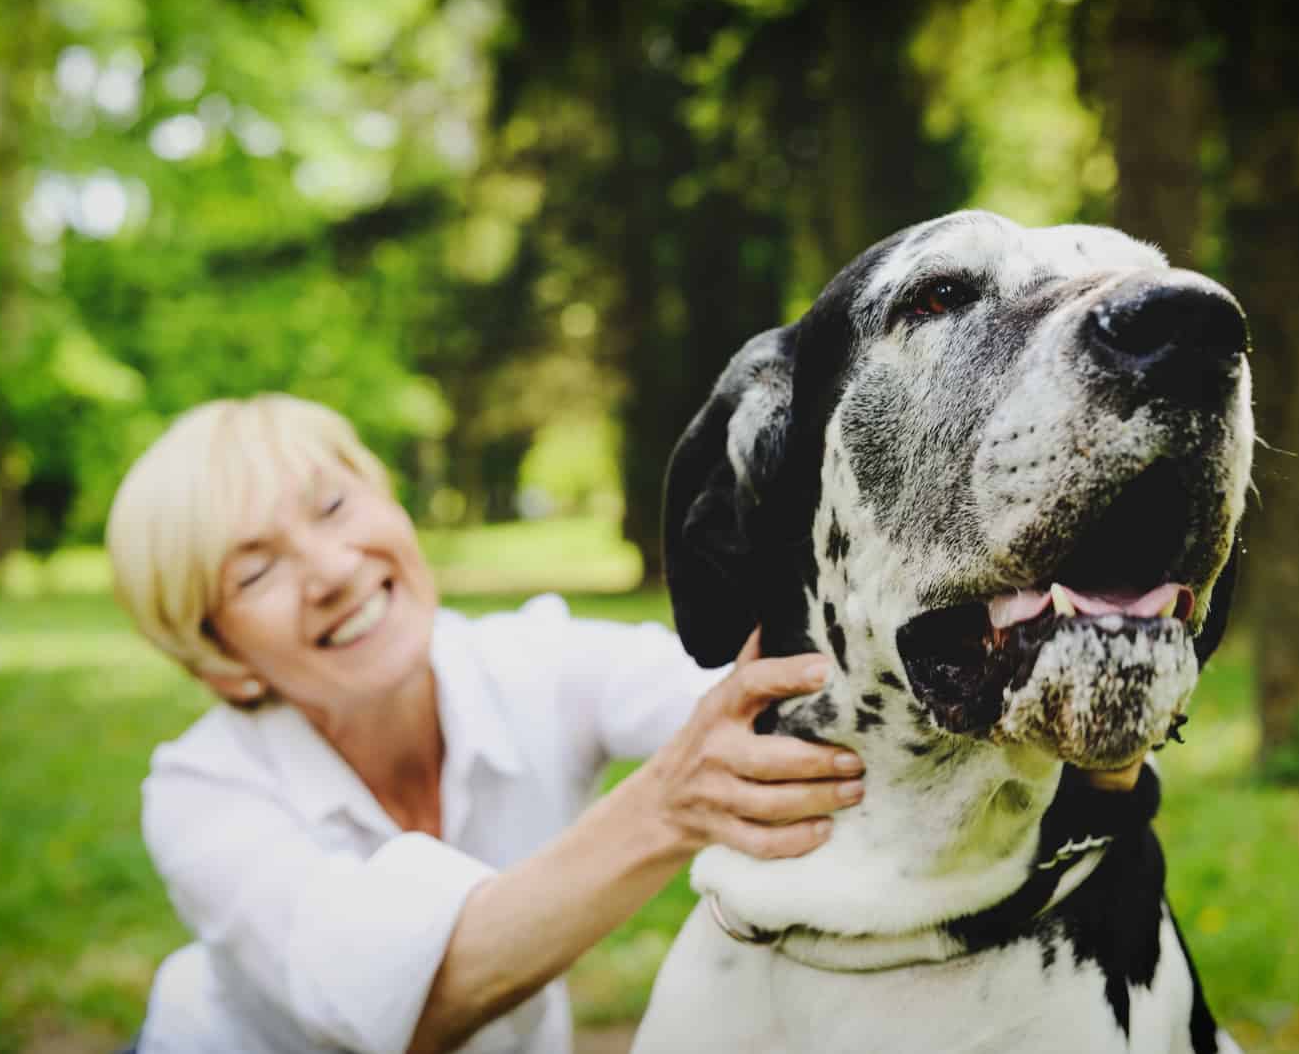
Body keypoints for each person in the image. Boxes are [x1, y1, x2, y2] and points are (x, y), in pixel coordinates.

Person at [106, 393, 867, 1054]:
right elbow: (414, 1014)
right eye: (256, 571)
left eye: (333, 506)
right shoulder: (200, 794)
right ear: (221, 662)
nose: (332, 571)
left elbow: (760, 694)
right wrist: (668, 807)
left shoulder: (529, 661)